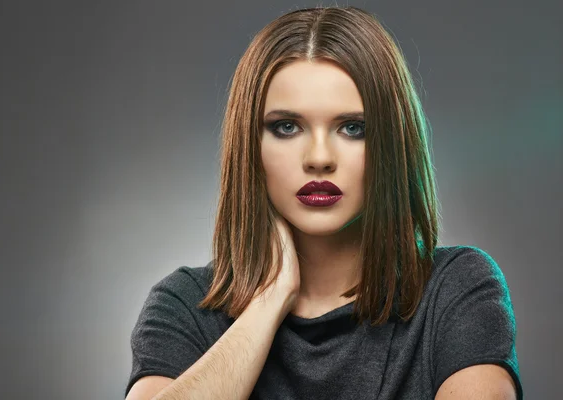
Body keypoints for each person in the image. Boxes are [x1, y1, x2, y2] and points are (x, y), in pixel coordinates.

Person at [124, 6, 523, 400]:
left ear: (393, 141)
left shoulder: (457, 289)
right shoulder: (183, 305)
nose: (319, 157)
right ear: (249, 145)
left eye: (353, 128)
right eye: (286, 127)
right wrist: (268, 302)